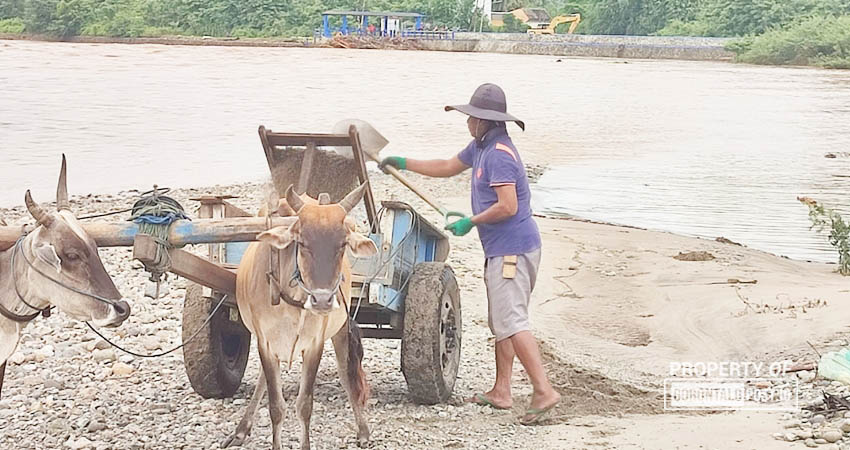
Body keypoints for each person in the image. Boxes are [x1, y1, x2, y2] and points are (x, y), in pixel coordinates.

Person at [379, 83, 561, 424]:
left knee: (513, 322)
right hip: (502, 249)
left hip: (513, 251)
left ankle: (543, 390)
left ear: (485, 120)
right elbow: (448, 165)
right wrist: (403, 162)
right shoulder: (481, 147)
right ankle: (502, 391)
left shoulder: (499, 155)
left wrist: (471, 222)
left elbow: (509, 206)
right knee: (501, 321)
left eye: (470, 118)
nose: (467, 122)